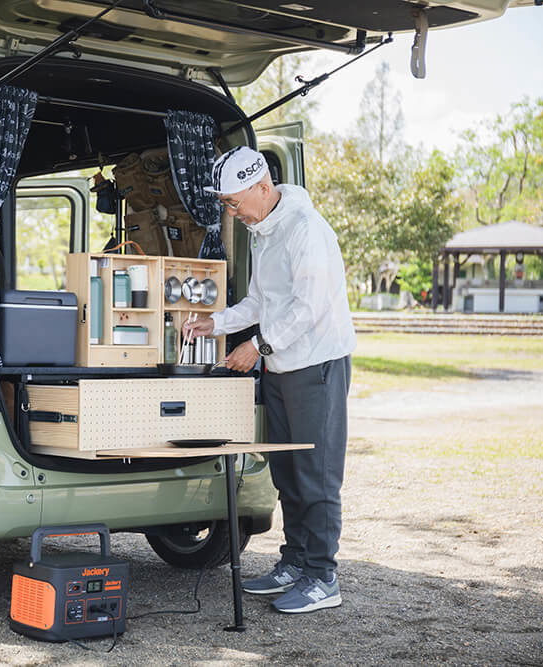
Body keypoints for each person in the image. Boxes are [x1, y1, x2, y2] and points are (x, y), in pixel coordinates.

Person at [183, 146, 356, 614]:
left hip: (316, 364)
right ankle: (295, 562)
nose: (231, 212)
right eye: (226, 204)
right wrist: (213, 323)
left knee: (316, 474)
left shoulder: (305, 230)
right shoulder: (262, 231)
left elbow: (308, 307)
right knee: (286, 471)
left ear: (262, 187)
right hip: (282, 366)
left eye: (234, 202)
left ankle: (322, 576)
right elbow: (260, 302)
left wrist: (257, 347)